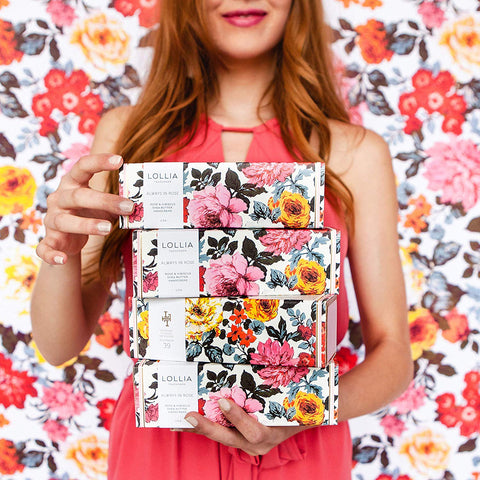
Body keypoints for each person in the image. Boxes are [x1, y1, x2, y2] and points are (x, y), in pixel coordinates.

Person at [31, 1, 413, 479]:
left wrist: (301, 408)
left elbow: (393, 352)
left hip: (301, 452)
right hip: (159, 450)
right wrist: (60, 253)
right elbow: (57, 345)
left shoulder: (353, 153)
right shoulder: (128, 136)